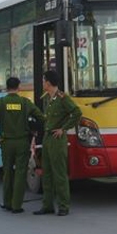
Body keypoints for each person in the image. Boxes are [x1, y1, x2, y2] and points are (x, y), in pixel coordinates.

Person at [0, 77, 45, 214]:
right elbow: (40, 117)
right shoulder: (25, 103)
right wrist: (34, 129)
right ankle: (16, 205)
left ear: (7, 87)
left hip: (6, 142)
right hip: (22, 142)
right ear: (18, 87)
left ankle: (7, 202)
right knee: (20, 173)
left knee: (7, 172)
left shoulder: (1, 102)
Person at [34, 70, 82, 217]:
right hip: (47, 139)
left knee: (59, 174)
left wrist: (64, 129)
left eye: (43, 80)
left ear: (48, 82)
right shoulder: (49, 98)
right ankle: (47, 205)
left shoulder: (62, 98)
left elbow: (77, 112)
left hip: (57, 139)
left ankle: (63, 206)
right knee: (46, 174)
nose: (42, 83)